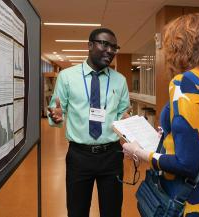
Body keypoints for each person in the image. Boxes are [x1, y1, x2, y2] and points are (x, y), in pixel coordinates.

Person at [123, 13, 199, 217]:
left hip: (195, 196)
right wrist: (168, 137)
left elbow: (187, 164)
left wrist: (139, 152)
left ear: (179, 47)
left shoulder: (185, 83)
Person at [48, 28, 130, 217]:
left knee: (112, 211)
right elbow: (57, 111)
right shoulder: (67, 77)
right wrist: (56, 116)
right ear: (90, 45)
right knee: (77, 211)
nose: (110, 50)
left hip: (112, 155)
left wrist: (127, 123)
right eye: (104, 44)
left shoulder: (120, 81)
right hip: (79, 156)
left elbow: (122, 115)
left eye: (114, 47)